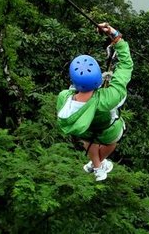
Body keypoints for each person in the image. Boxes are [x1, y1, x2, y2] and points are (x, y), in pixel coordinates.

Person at [56, 23, 133, 181]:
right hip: (107, 130)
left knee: (88, 141)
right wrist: (116, 37)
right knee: (113, 141)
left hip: (85, 131)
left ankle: (96, 166)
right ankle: (98, 165)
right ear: (98, 78)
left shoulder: (64, 97)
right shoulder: (108, 98)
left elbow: (72, 91)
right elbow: (125, 66)